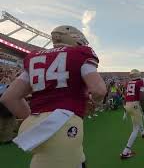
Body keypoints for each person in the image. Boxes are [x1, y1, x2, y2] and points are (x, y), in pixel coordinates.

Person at [0, 25, 106, 168]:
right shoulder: (80, 54)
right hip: (62, 124)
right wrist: (95, 103)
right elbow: (99, 90)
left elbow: (9, 98)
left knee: (73, 160)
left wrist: (36, 119)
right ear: (74, 39)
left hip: (33, 124)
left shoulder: (35, 58)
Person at [121, 69, 144, 159]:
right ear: (138, 75)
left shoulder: (128, 83)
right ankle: (126, 151)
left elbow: (125, 97)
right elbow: (141, 98)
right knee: (135, 129)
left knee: (137, 120)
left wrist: (125, 112)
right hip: (135, 105)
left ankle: (142, 132)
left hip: (128, 105)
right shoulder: (140, 82)